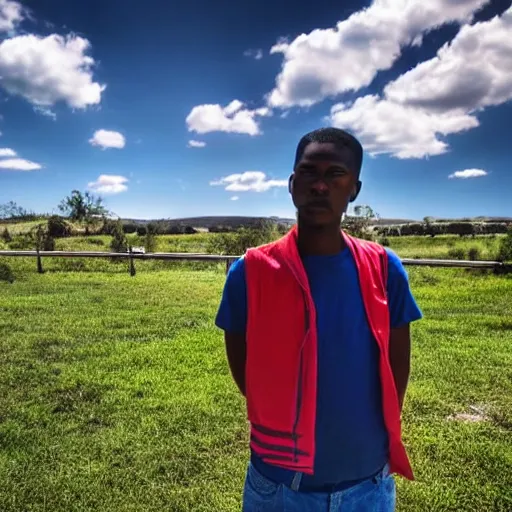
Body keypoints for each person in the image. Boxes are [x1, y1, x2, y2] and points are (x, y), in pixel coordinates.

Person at [215, 127, 422, 511]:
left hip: (368, 487)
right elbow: (246, 373)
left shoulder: (383, 269)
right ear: (292, 184)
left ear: (354, 190)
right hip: (278, 489)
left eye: (335, 174)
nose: (320, 186)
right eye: (309, 173)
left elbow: (396, 371)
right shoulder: (250, 273)